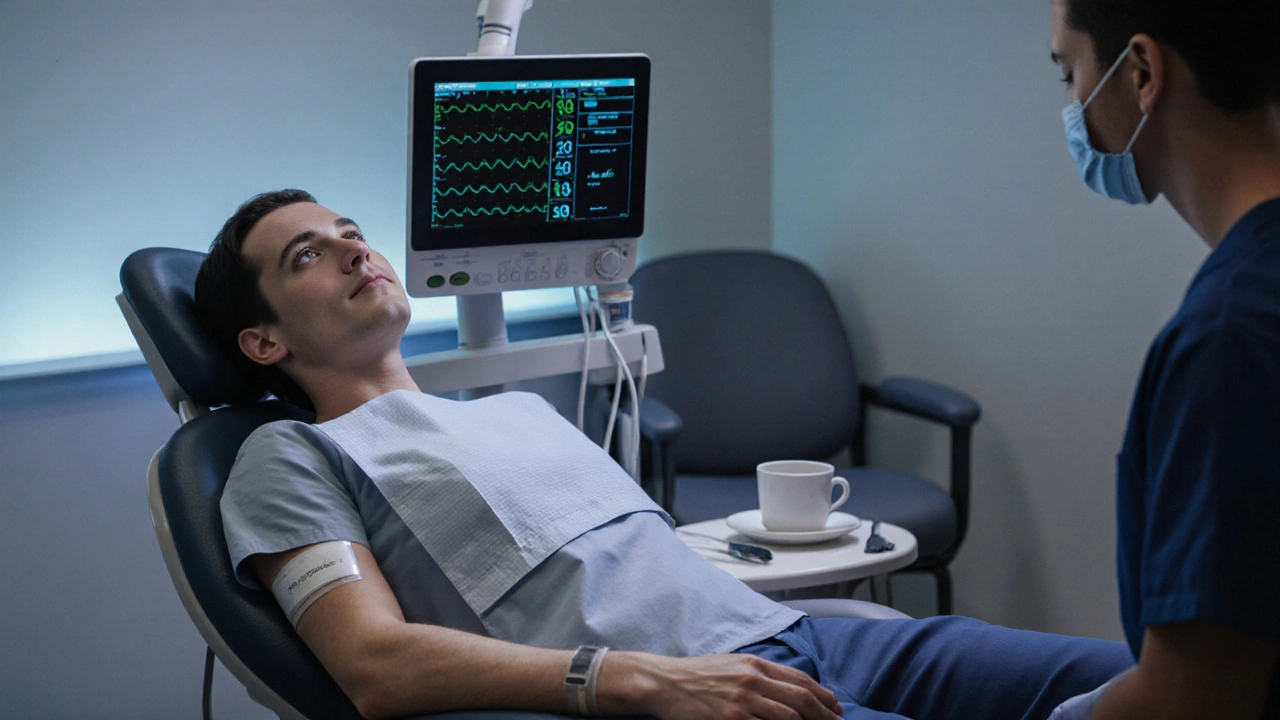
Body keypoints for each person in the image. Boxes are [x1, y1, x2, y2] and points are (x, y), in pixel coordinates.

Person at [194, 189, 1131, 720]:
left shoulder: (514, 409)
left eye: (351, 232)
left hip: (806, 638)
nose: (355, 250)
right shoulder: (288, 457)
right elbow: (375, 664)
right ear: (264, 342)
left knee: (1134, 682)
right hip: (692, 693)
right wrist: (623, 678)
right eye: (307, 256)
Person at [1048, 0, 1280, 717]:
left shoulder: (1230, 335)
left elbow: (1195, 702)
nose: (1074, 104)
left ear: (1142, 70)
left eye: (1070, 72)